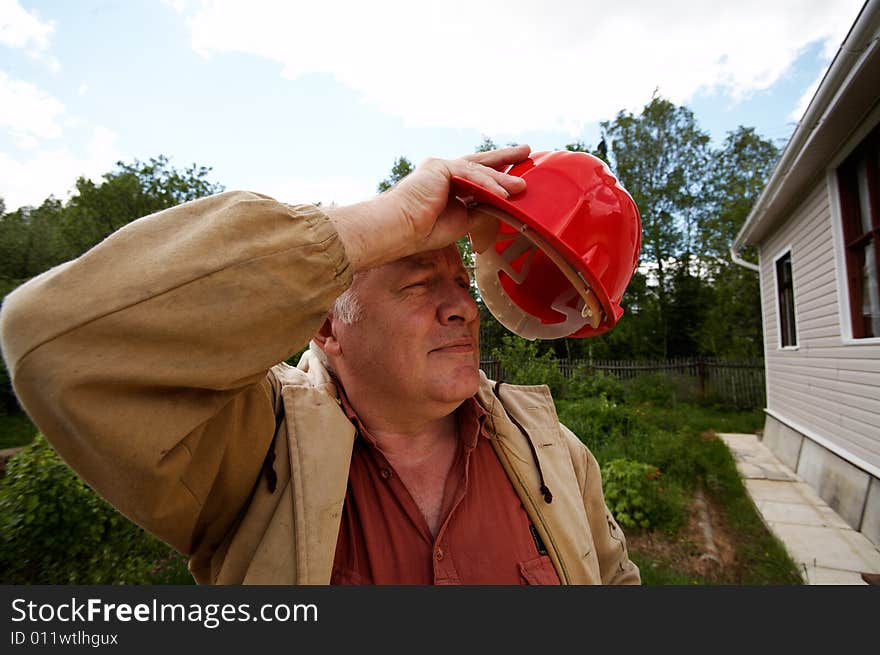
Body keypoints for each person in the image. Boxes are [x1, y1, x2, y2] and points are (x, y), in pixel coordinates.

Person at [0, 145, 640, 585]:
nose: (462, 311)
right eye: (419, 283)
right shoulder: (253, 451)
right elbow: (50, 340)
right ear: (328, 325)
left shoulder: (552, 447)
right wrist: (387, 223)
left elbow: (614, 580)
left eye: (463, 286)